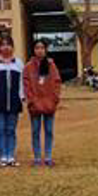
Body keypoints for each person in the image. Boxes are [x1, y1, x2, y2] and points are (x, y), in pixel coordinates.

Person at [0, 36, 25, 168]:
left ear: (13, 47)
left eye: (8, 44)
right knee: (0, 129)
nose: (6, 47)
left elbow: (22, 82)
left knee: (11, 129)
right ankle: (3, 155)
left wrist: (22, 96)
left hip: (14, 101)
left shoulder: (18, 63)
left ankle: (11, 155)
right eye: (3, 45)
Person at [23, 39, 62, 167]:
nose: (39, 50)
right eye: (37, 48)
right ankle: (37, 158)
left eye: (42, 48)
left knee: (49, 131)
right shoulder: (28, 67)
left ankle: (48, 157)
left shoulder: (51, 65)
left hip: (49, 103)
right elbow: (26, 85)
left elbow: (57, 83)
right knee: (35, 131)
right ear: (33, 50)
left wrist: (54, 99)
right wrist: (31, 100)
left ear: (46, 50)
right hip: (34, 104)